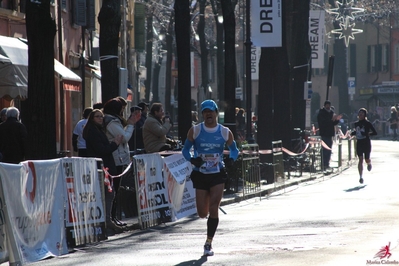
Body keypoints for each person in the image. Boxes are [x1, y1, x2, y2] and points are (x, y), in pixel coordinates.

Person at [182, 99, 239, 256]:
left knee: (214, 207)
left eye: (210, 111)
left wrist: (231, 159)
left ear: (215, 113)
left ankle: (208, 243)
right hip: (200, 174)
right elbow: (185, 149)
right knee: (202, 213)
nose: (208, 114)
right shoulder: (195, 131)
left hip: (217, 174)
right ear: (202, 115)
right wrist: (192, 159)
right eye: (205, 112)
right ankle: (208, 221)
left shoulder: (224, 132)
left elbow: (234, 150)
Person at [83, 109, 124, 234]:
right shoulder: (93, 132)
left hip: (104, 166)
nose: (101, 119)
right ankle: (105, 220)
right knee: (107, 193)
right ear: (92, 118)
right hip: (101, 166)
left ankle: (107, 219)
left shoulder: (98, 130)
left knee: (109, 193)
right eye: (97, 117)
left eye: (101, 117)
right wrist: (115, 144)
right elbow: (101, 149)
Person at [103, 98, 140, 227]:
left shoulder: (114, 121)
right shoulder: (111, 121)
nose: (123, 112)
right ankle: (111, 218)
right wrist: (130, 125)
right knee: (114, 190)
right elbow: (124, 137)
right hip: (116, 158)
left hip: (119, 158)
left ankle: (113, 217)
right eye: (122, 109)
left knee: (116, 190)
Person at [350, 108, 377, 184]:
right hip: (359, 142)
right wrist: (353, 133)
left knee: (366, 159)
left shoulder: (367, 123)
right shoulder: (356, 123)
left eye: (362, 113)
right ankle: (361, 177)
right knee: (360, 159)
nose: (360, 115)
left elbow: (375, 132)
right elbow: (357, 131)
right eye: (359, 113)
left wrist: (367, 134)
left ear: (365, 115)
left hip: (366, 142)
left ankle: (369, 163)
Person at [317, 100, 342, 170]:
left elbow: (333, 123)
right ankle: (323, 164)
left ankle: (327, 163)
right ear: (325, 105)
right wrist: (331, 120)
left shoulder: (331, 112)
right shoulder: (321, 113)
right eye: (327, 105)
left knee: (329, 149)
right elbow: (323, 123)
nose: (328, 107)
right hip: (324, 133)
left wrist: (337, 120)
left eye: (329, 105)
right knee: (324, 149)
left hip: (330, 133)